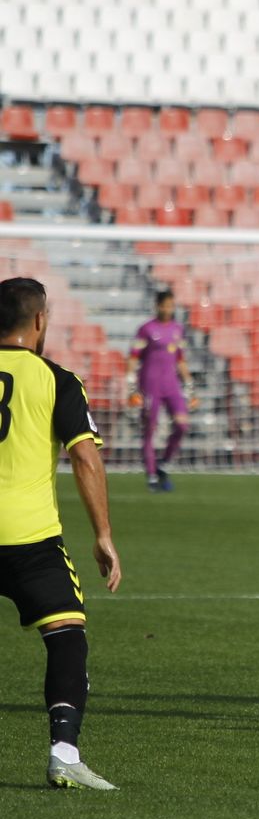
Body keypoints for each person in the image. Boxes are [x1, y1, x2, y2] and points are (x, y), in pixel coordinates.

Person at [0, 277, 123, 789]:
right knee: (67, 635)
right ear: (39, 320)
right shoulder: (57, 379)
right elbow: (85, 459)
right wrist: (103, 535)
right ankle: (64, 753)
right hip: (30, 538)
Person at [127, 289, 191, 492]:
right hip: (150, 384)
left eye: (171, 305)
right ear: (157, 306)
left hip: (171, 384)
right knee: (149, 429)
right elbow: (134, 356)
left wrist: (189, 381)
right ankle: (152, 475)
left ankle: (164, 463)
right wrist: (130, 380)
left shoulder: (177, 329)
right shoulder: (146, 329)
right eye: (165, 305)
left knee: (182, 424)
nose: (168, 309)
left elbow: (180, 359)